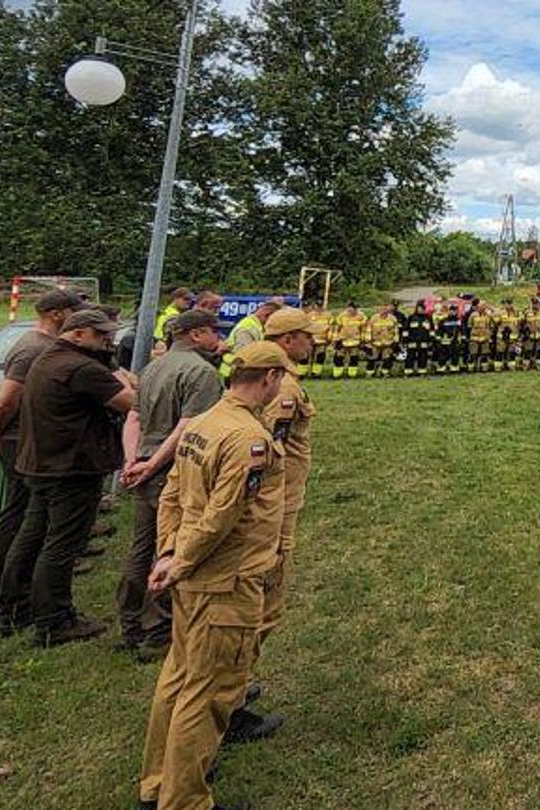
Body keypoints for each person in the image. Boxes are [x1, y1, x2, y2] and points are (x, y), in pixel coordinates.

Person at [136, 342, 294, 810]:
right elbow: (223, 516)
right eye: (281, 378)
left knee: (178, 678)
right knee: (208, 694)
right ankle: (184, 800)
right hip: (227, 580)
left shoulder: (202, 424)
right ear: (268, 378)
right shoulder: (248, 439)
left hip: (194, 576)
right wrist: (180, 561)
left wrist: (168, 552)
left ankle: (157, 783)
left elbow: (171, 495)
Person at [1, 309, 137, 646]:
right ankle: (54, 620)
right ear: (77, 333)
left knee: (32, 536)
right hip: (71, 467)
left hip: (43, 463)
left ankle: (15, 606)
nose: (108, 341)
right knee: (62, 545)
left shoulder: (48, 358)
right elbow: (132, 403)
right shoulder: (81, 368)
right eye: (100, 335)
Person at [115, 309, 224, 659]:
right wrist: (153, 465)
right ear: (196, 334)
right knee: (170, 548)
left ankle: (131, 622)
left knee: (141, 546)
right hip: (172, 470)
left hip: (145, 465)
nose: (218, 337)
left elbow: (134, 417)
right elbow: (188, 427)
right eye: (213, 331)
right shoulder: (202, 373)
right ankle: (159, 629)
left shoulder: (152, 368)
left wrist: (133, 460)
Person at [245, 307, 328, 739]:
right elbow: (266, 450)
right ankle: (232, 695)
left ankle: (235, 684)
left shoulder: (283, 380)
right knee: (263, 601)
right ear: (288, 339)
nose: (313, 342)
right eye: (307, 336)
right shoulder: (285, 388)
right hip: (274, 508)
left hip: (279, 503)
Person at [0, 289, 83, 620]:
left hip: (28, 439)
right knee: (19, 516)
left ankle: (15, 589)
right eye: (74, 312)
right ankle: (0, 592)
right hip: (17, 440)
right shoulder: (32, 348)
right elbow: (4, 403)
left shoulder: (43, 345)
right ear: (57, 314)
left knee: (28, 516)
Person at [330, 303, 365, 378]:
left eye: (352, 310)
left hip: (355, 341)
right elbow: (337, 329)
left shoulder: (361, 317)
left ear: (356, 309)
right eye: (348, 310)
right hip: (343, 341)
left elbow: (363, 329)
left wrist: (363, 340)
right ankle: (337, 374)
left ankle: (352, 375)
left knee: (354, 358)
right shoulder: (341, 316)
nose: (350, 312)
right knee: (339, 358)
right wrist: (335, 339)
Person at [366, 303, 400, 377]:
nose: (384, 311)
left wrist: (396, 339)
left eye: (385, 309)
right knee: (373, 357)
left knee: (387, 357)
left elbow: (396, 330)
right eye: (382, 309)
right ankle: (370, 373)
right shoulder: (374, 318)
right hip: (375, 342)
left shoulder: (393, 318)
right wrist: (368, 339)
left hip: (388, 343)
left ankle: (385, 372)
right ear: (379, 310)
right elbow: (369, 329)